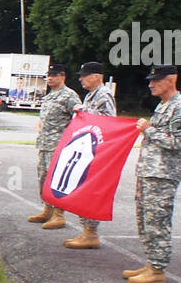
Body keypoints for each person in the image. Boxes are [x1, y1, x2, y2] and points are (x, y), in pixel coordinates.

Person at [121, 65, 181, 283]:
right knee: (145, 219)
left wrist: (149, 130)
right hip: (150, 172)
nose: (151, 84)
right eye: (150, 80)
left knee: (157, 221)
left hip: (163, 175)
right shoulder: (164, 106)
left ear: (171, 79)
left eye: (156, 80)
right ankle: (151, 262)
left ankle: (157, 269)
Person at [63, 61, 117, 250]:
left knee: (90, 190)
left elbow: (109, 121)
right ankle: (86, 230)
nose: (80, 79)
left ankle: (91, 233)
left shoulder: (104, 94)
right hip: (86, 148)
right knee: (82, 189)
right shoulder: (90, 95)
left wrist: (83, 111)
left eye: (84, 75)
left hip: (97, 150)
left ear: (96, 76)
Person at [28, 63, 81, 229]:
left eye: (54, 75)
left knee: (57, 179)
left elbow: (80, 117)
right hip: (44, 144)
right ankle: (47, 209)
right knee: (43, 177)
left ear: (62, 76)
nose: (50, 78)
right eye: (49, 75)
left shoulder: (69, 96)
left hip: (59, 145)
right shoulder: (49, 96)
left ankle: (59, 214)